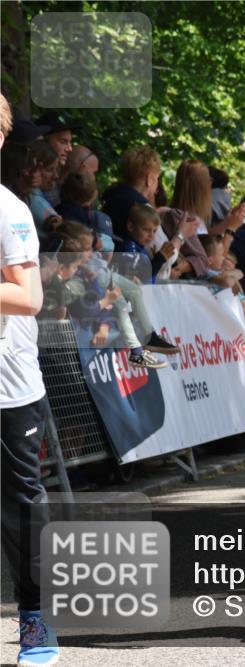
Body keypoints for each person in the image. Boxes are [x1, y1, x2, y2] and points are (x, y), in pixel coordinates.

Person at [0, 94, 61, 667]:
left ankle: (35, 618)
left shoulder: (9, 210)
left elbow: (29, 297)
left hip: (8, 387)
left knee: (20, 505)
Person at [102, 146, 162, 238]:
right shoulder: (143, 208)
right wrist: (180, 235)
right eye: (157, 178)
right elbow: (165, 249)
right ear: (149, 179)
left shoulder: (111, 196)